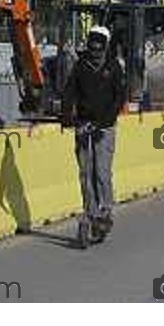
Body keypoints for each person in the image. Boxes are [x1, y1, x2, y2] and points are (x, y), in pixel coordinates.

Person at [62, 25, 127, 238]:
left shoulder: (114, 67)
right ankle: (90, 211)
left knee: (101, 170)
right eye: (92, 47)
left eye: (99, 48)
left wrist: (105, 121)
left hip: (105, 126)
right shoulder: (81, 66)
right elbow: (70, 91)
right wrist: (67, 116)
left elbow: (119, 98)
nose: (95, 52)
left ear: (105, 48)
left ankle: (105, 210)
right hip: (84, 123)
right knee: (84, 172)